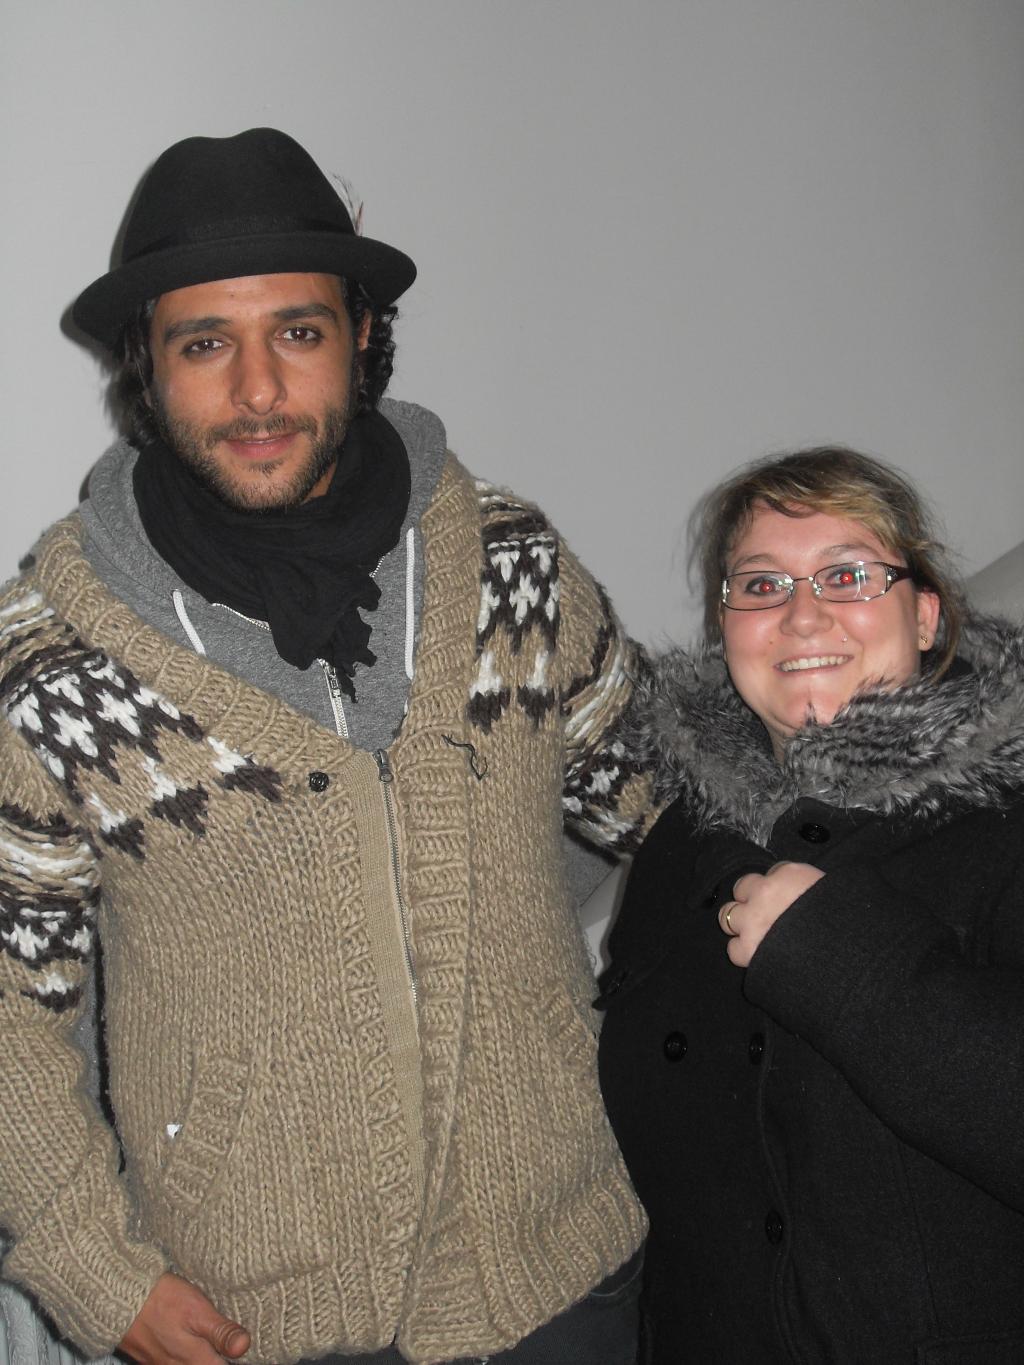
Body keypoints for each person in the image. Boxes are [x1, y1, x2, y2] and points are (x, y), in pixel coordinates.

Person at [0, 128, 655, 1365]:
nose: (257, 391)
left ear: (361, 339)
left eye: (296, 332)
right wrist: (92, 1269)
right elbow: (6, 1002)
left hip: (558, 1279)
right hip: (249, 1319)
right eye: (206, 344)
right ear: (145, 365)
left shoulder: (511, 565)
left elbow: (662, 816)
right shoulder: (51, 662)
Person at [597, 447, 1024, 1363]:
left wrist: (845, 960)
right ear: (726, 627)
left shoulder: (1008, 813)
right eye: (761, 583)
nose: (801, 613)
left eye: (848, 574)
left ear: (924, 610)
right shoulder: (683, 841)